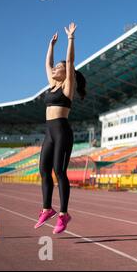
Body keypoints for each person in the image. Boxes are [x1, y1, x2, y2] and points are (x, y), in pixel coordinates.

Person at [34, 23, 86, 234]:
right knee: (44, 171)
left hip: (62, 131)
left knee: (59, 171)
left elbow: (71, 61)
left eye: (59, 68)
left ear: (67, 74)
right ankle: (47, 209)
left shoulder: (66, 86)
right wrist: (51, 46)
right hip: (49, 133)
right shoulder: (52, 85)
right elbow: (47, 64)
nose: (55, 69)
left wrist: (70, 39)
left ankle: (64, 214)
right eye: (55, 68)